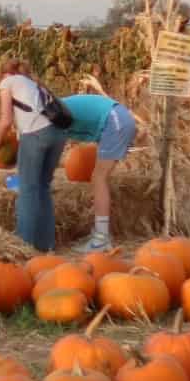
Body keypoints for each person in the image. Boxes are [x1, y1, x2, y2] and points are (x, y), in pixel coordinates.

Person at [0, 55, 69, 252]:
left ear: (3, 73)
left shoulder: (8, 82)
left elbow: (6, 120)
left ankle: (23, 246)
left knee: (27, 189)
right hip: (59, 134)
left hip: (36, 135)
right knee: (42, 187)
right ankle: (46, 245)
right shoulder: (33, 83)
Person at [56, 82, 139, 253]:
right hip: (118, 118)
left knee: (99, 177)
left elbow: (51, 154)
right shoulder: (54, 109)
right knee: (99, 176)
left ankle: (101, 238)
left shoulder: (53, 114)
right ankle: (100, 234)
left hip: (115, 120)